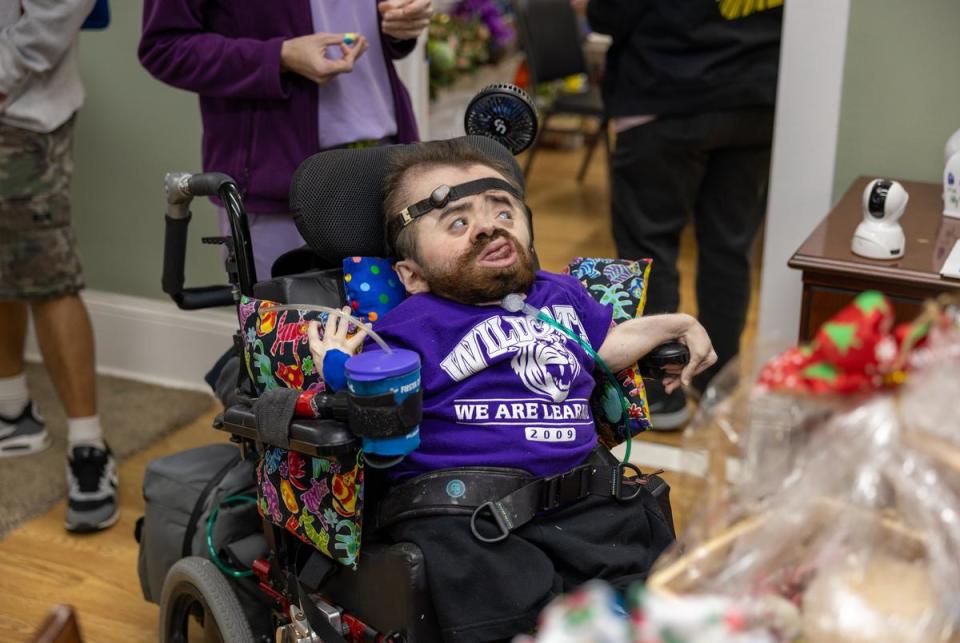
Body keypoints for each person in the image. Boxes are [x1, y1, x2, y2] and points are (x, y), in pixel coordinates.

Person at [308, 139, 717, 641]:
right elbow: (373, 385)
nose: (487, 226)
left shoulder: (559, 295)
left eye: (503, 211)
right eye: (457, 223)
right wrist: (334, 363)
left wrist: (678, 322)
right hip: (466, 521)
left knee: (654, 607)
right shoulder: (411, 323)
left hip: (586, 502)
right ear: (411, 275)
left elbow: (604, 345)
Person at [587, 0, 782, 428]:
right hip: (753, 96)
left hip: (665, 88)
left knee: (649, 245)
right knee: (729, 249)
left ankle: (661, 393)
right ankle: (718, 387)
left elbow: (608, 15)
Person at [139, 0, 431, 279]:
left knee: (396, 325)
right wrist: (279, 56)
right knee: (287, 328)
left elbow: (363, 23)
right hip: (279, 176)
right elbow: (164, 48)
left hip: (387, 160)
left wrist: (399, 24)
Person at [0, 0, 119, 533]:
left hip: (20, 111)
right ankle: (11, 410)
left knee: (48, 276)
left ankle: (89, 446)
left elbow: (59, 9)